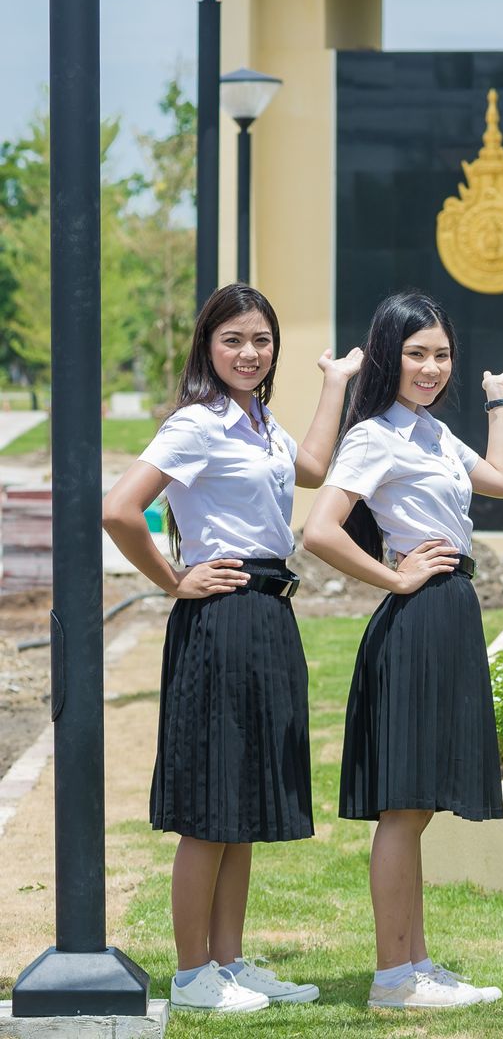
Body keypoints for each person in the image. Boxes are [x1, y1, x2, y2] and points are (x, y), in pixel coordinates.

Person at [101, 283, 363, 1013]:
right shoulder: (197, 424)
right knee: (210, 806)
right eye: (234, 340)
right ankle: (192, 977)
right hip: (219, 618)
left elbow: (312, 468)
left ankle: (229, 963)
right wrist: (173, 580)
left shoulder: (259, 422)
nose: (250, 353)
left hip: (268, 614)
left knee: (241, 802)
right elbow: (119, 509)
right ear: (207, 347)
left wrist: (335, 382)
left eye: (262, 340)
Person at [301, 291, 503, 1011]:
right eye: (416, 354)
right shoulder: (376, 436)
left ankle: (417, 964)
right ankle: (393, 977)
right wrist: (396, 577)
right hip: (418, 616)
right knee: (403, 809)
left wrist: (497, 399)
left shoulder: (431, 433)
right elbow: (320, 530)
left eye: (441, 355)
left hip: (449, 613)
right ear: (388, 356)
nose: (432, 367)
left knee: (418, 808)